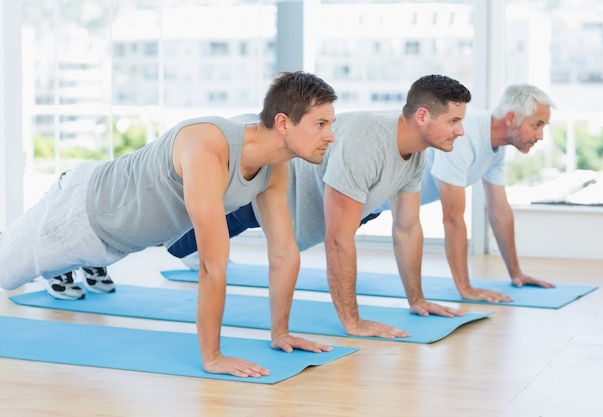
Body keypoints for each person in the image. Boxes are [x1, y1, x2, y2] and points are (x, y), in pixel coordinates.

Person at [0, 71, 338, 378]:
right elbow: (211, 266)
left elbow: (283, 252)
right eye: (320, 124)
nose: (331, 136)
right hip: (78, 215)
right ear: (283, 122)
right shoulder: (210, 146)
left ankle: (63, 267)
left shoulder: (274, 167)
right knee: (4, 273)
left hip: (117, 240)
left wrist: (280, 332)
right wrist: (213, 357)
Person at [168, 74, 472, 339]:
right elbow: (338, 241)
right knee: (166, 235)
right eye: (453, 121)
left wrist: (417, 300)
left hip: (286, 206)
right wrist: (353, 322)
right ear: (422, 117)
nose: (460, 131)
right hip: (258, 190)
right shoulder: (366, 143)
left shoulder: (415, 154)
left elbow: (407, 228)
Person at [367, 83, 557, 302]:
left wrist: (516, 274)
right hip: (365, 197)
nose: (541, 135)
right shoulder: (464, 136)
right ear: (511, 118)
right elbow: (452, 219)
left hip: (377, 204)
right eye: (537, 125)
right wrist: (465, 289)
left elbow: (500, 213)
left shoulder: (496, 149)